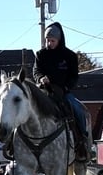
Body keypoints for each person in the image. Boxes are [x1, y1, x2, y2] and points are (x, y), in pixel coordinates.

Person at [33, 21, 90, 161]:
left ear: (59, 40)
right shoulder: (41, 54)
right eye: (47, 40)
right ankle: (13, 142)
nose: (49, 43)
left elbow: (73, 76)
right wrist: (41, 79)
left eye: (52, 40)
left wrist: (65, 87)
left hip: (63, 91)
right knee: (26, 106)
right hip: (44, 91)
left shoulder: (69, 56)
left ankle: (83, 140)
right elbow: (36, 71)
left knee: (78, 110)